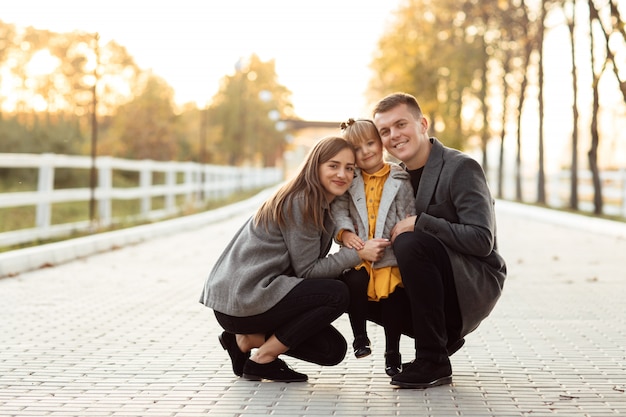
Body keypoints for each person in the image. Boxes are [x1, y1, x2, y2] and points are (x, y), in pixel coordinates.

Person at [199, 136, 391, 382]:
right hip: (244, 299)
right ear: (316, 166)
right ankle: (262, 360)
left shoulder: (323, 202)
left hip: (249, 302)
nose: (342, 174)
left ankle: (244, 339)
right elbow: (308, 272)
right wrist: (357, 254)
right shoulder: (303, 201)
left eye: (349, 168)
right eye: (333, 165)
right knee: (337, 293)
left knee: (331, 350)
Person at [370, 92, 507, 389]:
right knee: (355, 280)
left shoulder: (460, 168)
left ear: (422, 124)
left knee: (411, 242)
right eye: (385, 131)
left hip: (470, 283)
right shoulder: (394, 177)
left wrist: (422, 223)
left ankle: (433, 360)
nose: (394, 135)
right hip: (428, 284)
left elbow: (482, 240)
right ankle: (435, 340)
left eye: (400, 124)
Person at [330, 118, 415, 376]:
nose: (366, 151)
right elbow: (339, 210)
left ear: (381, 144)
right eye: (357, 148)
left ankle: (393, 352)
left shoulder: (400, 178)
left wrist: (403, 231)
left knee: (394, 300)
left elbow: (408, 211)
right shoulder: (350, 179)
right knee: (353, 282)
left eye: (371, 143)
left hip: (388, 250)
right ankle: (360, 338)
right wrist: (344, 234)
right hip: (359, 249)